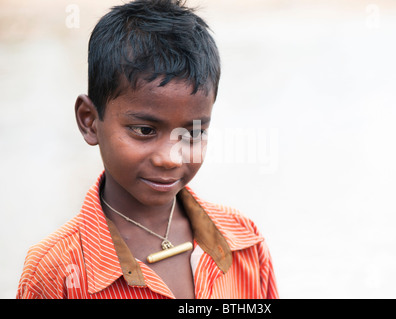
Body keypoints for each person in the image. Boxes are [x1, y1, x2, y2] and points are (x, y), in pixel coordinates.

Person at [16, 0, 278, 299]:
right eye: (144, 131)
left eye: (192, 133)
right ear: (89, 121)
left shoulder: (243, 241)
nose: (169, 158)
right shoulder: (56, 271)